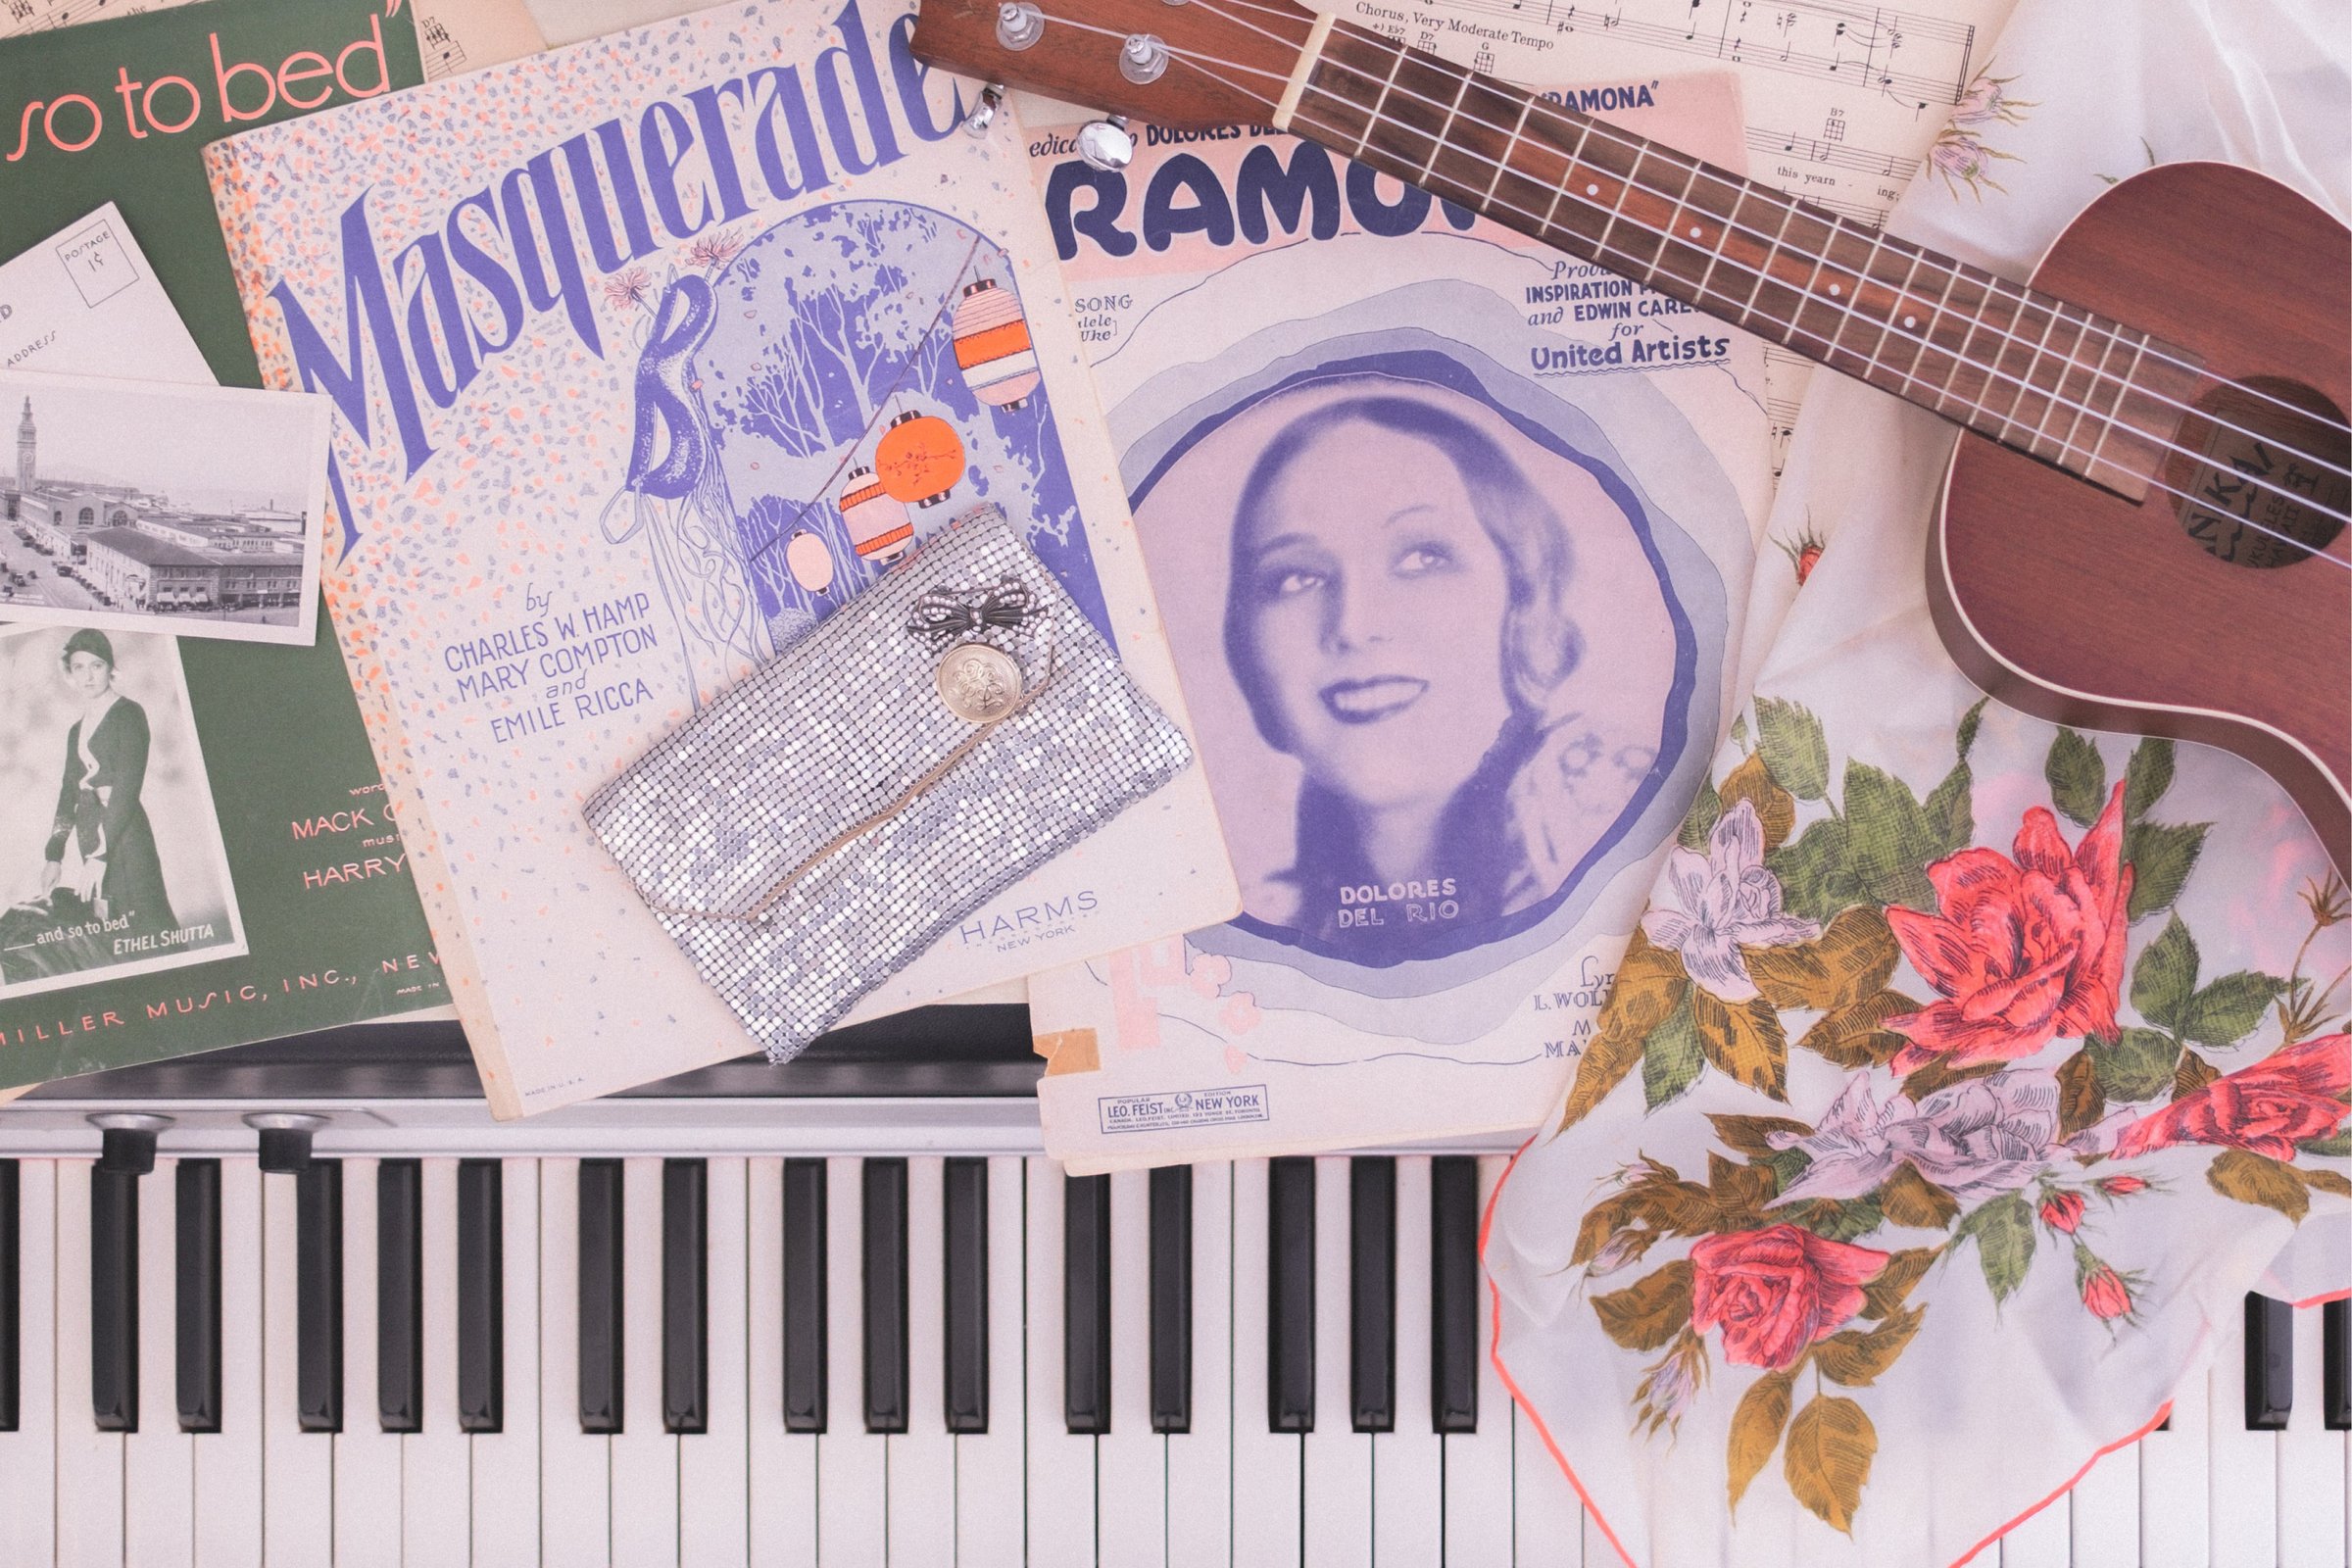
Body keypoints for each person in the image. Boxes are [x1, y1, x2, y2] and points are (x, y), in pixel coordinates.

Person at [1224, 390, 1647, 957]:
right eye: (1296, 578)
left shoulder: (1617, 820)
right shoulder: (1259, 918)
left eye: (1422, 557)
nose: (1354, 625)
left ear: (1520, 598)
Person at [40, 628, 173, 935]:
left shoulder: (128, 714)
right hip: (89, 835)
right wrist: (53, 856)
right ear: (70, 673)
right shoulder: (76, 730)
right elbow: (68, 792)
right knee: (111, 928)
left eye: (96, 665)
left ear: (110, 668)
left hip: (124, 834)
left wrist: (100, 855)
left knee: (147, 926)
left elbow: (128, 788)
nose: (88, 676)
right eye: (79, 667)